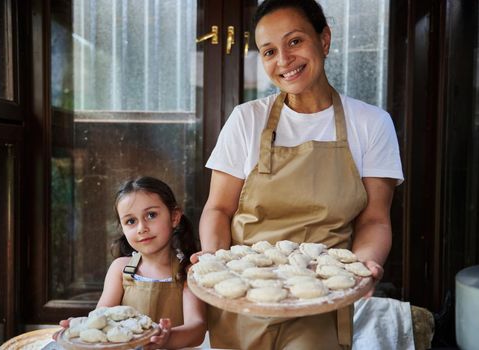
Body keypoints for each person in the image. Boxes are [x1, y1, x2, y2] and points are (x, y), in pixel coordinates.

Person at [195, 0, 404, 349]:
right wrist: (216, 265)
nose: (284, 60)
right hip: (245, 296)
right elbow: (218, 209)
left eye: (295, 42)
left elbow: (375, 218)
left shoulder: (370, 124)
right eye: (269, 51)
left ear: (324, 40)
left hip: (321, 296)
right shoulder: (247, 120)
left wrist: (365, 265)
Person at [63, 177, 206, 349]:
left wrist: (167, 339)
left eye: (151, 215)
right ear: (122, 227)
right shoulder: (120, 269)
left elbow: (197, 328)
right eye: (131, 221)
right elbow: (100, 318)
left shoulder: (189, 271)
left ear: (174, 217)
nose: (141, 228)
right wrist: (80, 328)